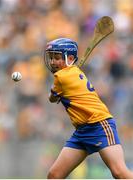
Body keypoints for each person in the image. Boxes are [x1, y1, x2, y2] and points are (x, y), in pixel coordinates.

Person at [44, 38, 133, 179]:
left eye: (57, 57)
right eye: (51, 57)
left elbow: (52, 98)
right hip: (82, 131)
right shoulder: (71, 72)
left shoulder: (61, 77)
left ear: (71, 58)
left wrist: (53, 91)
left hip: (99, 125)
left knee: (119, 173)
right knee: (54, 175)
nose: (53, 61)